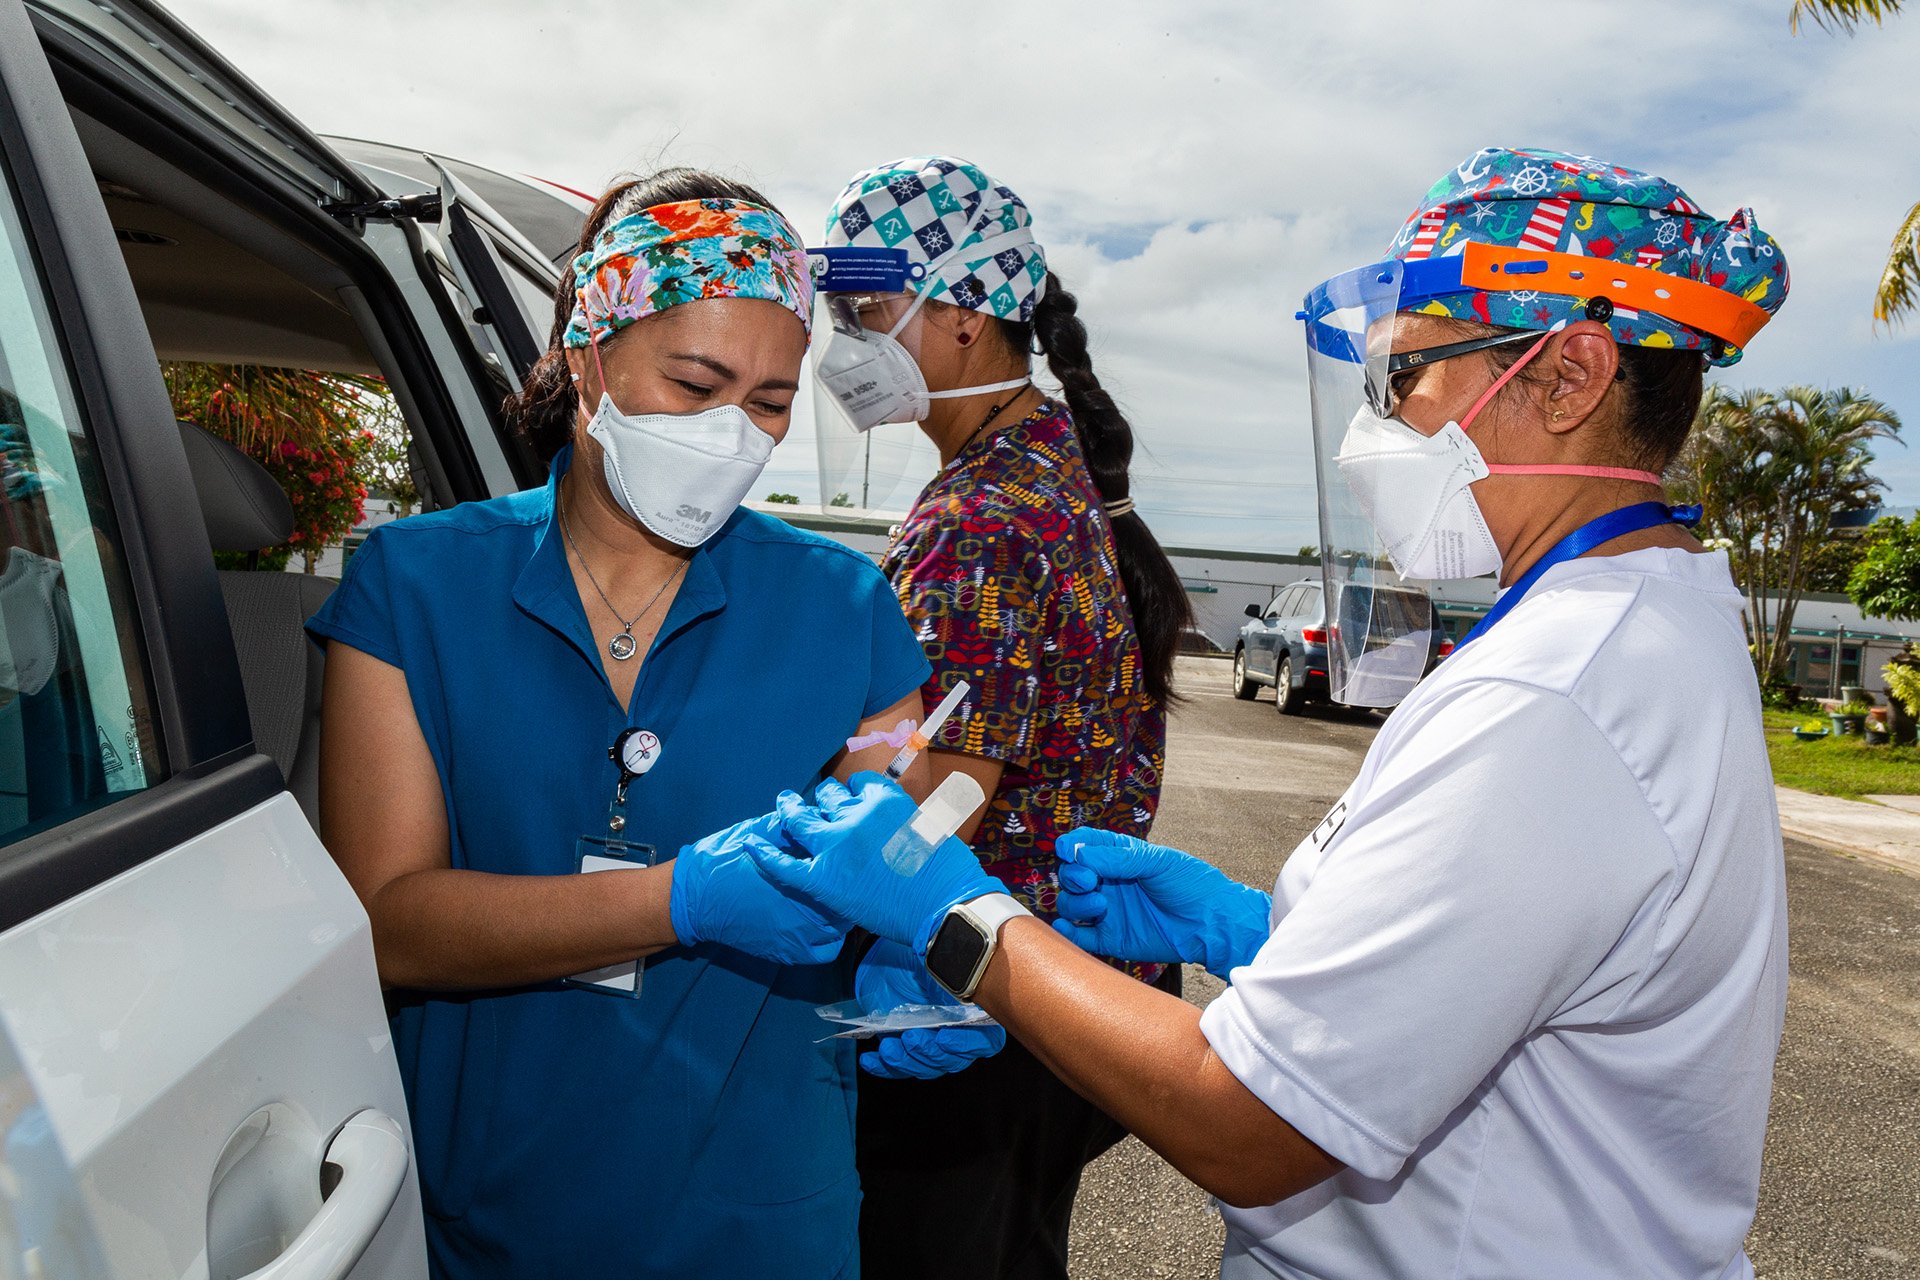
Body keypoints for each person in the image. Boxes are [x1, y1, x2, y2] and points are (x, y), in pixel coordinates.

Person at [748, 147, 1793, 1279]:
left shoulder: (1555, 694)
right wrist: (1266, 929)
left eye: (1404, 379)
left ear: (1568, 375)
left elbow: (1248, 1122)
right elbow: (1502, 950)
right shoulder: (1636, 628)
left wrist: (955, 916)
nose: (1378, 427)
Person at [310, 169, 998, 1280]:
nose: (734, 434)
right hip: (487, 1223)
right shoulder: (415, 587)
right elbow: (389, 920)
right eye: (696, 381)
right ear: (589, 353)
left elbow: (899, 830)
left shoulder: (848, 609)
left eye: (771, 402)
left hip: (760, 1228)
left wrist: (919, 959)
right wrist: (678, 898)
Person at [807, 155, 1193, 1279]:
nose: (843, 347)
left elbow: (942, 790)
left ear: (966, 315)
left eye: (865, 311)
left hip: (971, 1006)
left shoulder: (983, 516)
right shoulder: (1051, 465)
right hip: (1056, 993)